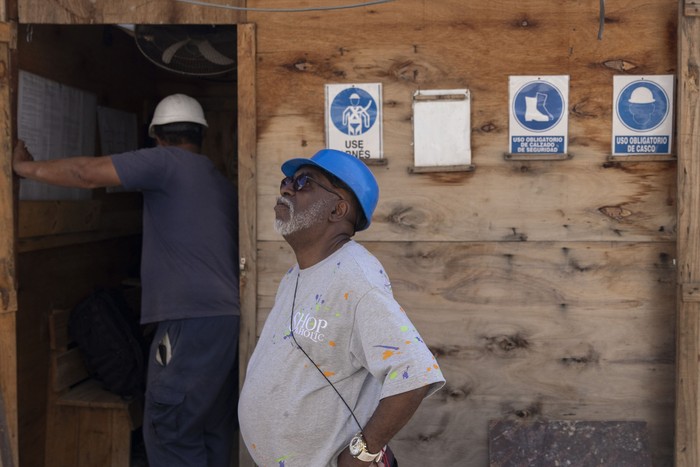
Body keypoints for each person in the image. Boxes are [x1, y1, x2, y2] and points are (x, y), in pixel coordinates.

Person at [13, 93, 240, 467]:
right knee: (210, 428)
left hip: (189, 322)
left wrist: (24, 168)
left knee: (169, 429)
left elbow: (86, 173)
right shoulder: (219, 181)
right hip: (225, 323)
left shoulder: (165, 162)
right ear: (199, 134)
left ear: (157, 138)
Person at [238, 148, 445, 466]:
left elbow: (414, 372)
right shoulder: (297, 273)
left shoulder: (355, 278)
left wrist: (365, 451)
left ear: (338, 209)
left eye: (304, 182)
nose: (286, 188)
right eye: (287, 180)